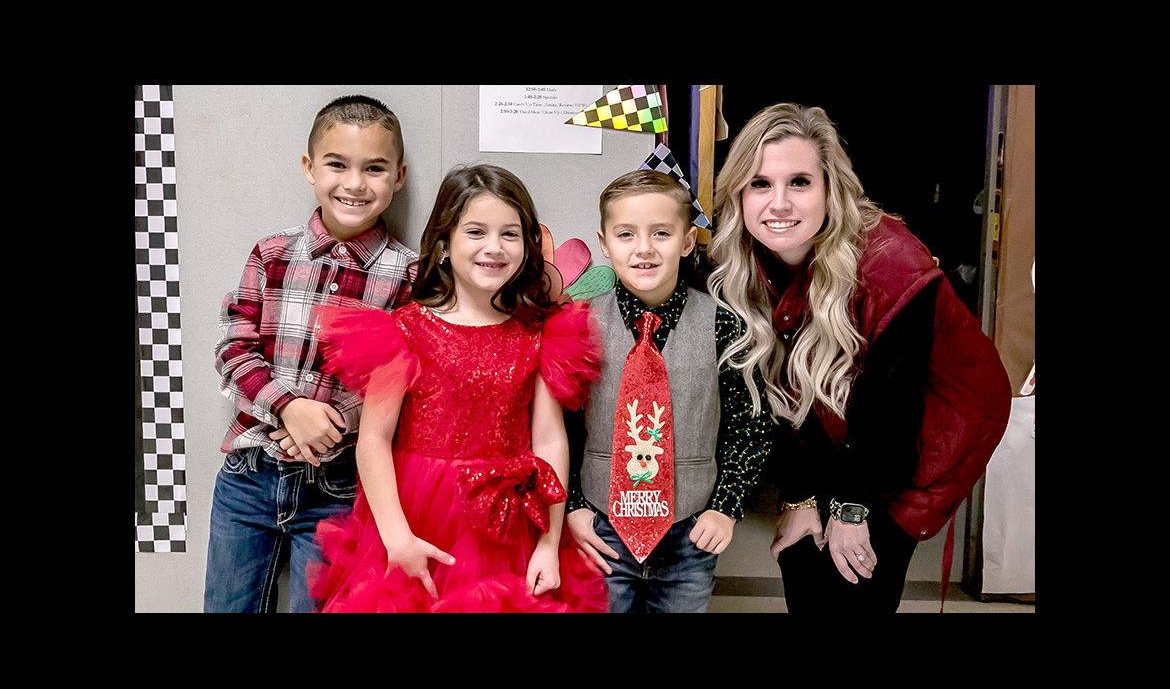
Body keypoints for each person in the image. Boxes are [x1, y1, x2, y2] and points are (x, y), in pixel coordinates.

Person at [708, 103, 1011, 613]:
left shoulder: (891, 264)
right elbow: (775, 391)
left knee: (857, 581)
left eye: (799, 182)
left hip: (924, 429)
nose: (778, 203)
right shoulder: (743, 259)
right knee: (802, 561)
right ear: (739, 192)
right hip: (834, 421)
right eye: (760, 183)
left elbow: (891, 408)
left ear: (830, 188)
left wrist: (851, 509)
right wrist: (802, 498)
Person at [307, 164, 607, 612]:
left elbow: (549, 440)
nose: (494, 247)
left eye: (510, 234)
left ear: (527, 246)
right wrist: (396, 538)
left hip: (509, 526)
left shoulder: (541, 333)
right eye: (476, 232)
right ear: (445, 245)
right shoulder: (403, 330)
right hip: (416, 518)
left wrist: (550, 540)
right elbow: (373, 439)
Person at [205, 95, 414, 613]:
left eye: (375, 168)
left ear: (400, 176)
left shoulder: (410, 275)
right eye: (337, 164)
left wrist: (330, 424)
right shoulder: (272, 253)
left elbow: (406, 382)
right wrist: (289, 407)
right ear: (309, 168)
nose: (355, 183)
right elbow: (234, 346)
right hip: (249, 474)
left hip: (338, 487)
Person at [564, 170, 773, 613]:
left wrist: (725, 506)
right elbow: (559, 425)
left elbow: (749, 425)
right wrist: (573, 505)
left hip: (689, 534)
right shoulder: (577, 325)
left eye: (661, 232)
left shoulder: (723, 324)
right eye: (626, 234)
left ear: (686, 240)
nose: (643, 248)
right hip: (601, 529)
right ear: (604, 244)